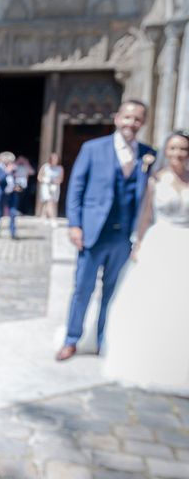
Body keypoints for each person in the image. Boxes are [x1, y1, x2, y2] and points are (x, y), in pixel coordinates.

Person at [56, 99, 156, 361]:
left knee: (113, 292)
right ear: (117, 118)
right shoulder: (92, 148)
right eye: (127, 118)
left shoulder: (148, 154)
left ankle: (103, 340)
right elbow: (76, 188)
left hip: (124, 237)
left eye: (137, 119)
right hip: (93, 233)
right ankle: (71, 339)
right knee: (82, 289)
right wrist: (75, 225)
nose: (131, 123)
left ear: (142, 122)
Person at [103, 131, 189, 389]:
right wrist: (138, 242)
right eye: (173, 148)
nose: (177, 153)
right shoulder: (156, 179)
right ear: (166, 150)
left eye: (183, 149)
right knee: (155, 298)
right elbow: (145, 214)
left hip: (185, 242)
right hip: (160, 240)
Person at [38, 152, 65, 227]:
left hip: (54, 187)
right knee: (49, 202)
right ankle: (53, 219)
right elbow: (39, 177)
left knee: (49, 203)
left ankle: (43, 217)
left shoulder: (60, 168)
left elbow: (61, 179)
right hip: (46, 186)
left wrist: (56, 181)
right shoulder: (45, 166)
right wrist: (46, 180)